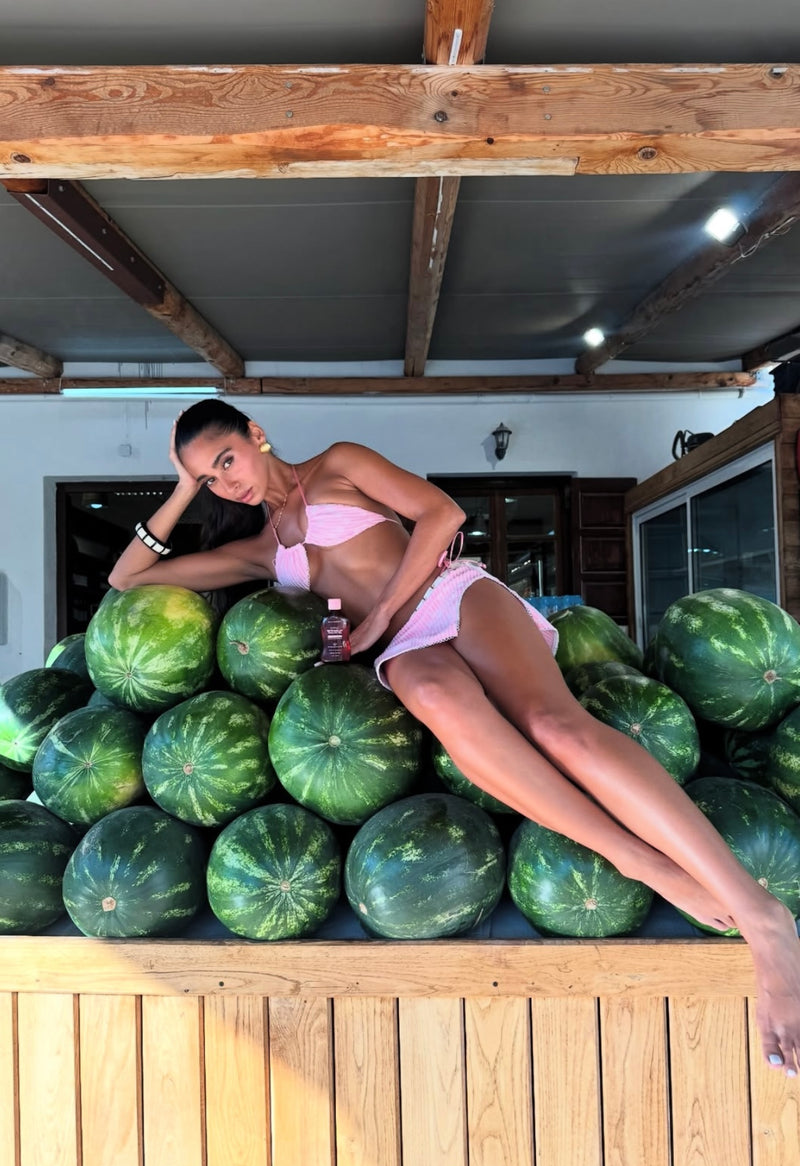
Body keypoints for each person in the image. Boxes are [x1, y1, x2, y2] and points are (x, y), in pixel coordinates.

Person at [109, 398, 800, 1076]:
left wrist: (379, 615)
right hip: (404, 651)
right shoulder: (262, 549)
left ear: (256, 434)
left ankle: (759, 913)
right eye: (208, 478)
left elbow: (442, 515)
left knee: (553, 725)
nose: (226, 482)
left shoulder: (337, 465)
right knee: (437, 699)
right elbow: (127, 578)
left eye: (227, 459)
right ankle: (639, 861)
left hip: (451, 597)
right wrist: (180, 488)